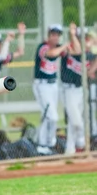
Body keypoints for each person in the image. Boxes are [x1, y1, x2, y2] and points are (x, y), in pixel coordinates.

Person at [33, 24, 69, 155]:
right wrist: (65, 45)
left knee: (50, 116)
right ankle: (44, 144)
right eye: (53, 34)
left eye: (58, 35)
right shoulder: (43, 47)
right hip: (42, 85)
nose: (55, 37)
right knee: (51, 116)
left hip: (53, 85)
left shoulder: (59, 47)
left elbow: (75, 51)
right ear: (48, 36)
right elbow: (51, 54)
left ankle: (47, 144)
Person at [61, 23, 84, 155]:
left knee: (72, 122)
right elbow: (77, 50)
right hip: (68, 90)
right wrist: (72, 35)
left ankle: (70, 150)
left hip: (80, 90)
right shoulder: (68, 48)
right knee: (77, 122)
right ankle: (81, 142)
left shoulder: (88, 53)